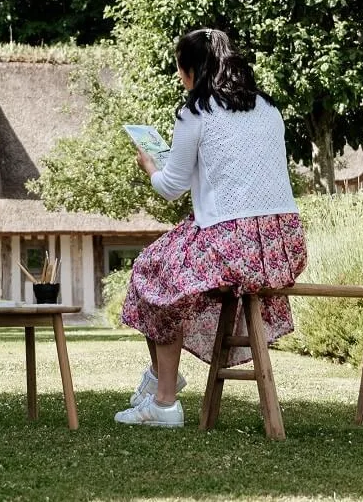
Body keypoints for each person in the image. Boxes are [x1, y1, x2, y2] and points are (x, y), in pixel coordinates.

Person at [114, 27, 304, 428]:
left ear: (191, 70)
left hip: (231, 239)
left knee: (151, 273)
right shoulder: (269, 108)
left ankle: (164, 399)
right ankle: (159, 383)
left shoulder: (195, 111)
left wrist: (151, 166)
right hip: (280, 244)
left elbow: (172, 187)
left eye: (180, 70)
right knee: (163, 269)